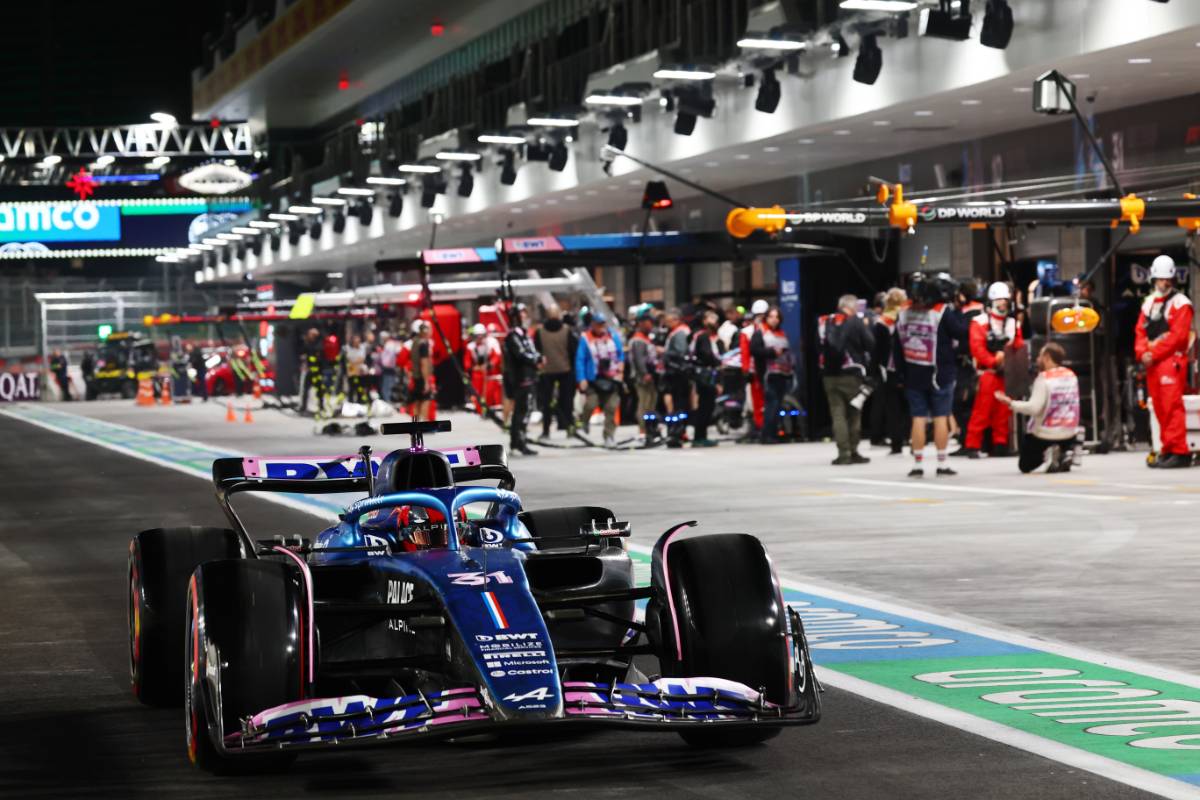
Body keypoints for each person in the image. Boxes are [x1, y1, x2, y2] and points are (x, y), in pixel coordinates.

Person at [895, 272, 967, 478]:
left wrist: (901, 373)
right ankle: (942, 463)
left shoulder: (903, 312)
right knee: (940, 417)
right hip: (940, 374)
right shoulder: (942, 312)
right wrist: (959, 309)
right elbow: (961, 332)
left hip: (913, 372)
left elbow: (896, 346)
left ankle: (917, 464)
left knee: (917, 418)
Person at [1136, 254, 1194, 469]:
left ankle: (1180, 451)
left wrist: (1153, 353)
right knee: (1159, 408)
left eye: (1166, 278)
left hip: (1171, 361)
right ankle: (1168, 449)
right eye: (1160, 279)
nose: (1164, 282)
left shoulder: (1181, 304)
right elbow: (1140, 332)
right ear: (1154, 279)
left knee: (1172, 406)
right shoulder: (1148, 304)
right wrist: (1142, 353)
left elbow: (1178, 337)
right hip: (1153, 363)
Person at [995, 343, 1081, 474]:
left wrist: (1011, 403)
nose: (1037, 359)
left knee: (1024, 465)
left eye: (1040, 356)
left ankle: (1049, 452)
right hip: (1070, 432)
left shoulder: (1044, 379)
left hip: (1046, 434)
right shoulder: (1071, 375)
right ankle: (1065, 452)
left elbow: (1034, 408)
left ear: (1047, 357)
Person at [963, 282, 1024, 458]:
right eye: (999, 301)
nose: (1002, 305)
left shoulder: (1013, 323)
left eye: (1005, 301)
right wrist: (994, 361)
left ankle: (1000, 445)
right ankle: (972, 445)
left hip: (1007, 373)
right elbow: (977, 349)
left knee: (1004, 412)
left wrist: (1007, 358)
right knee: (982, 411)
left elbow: (1018, 345)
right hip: (987, 374)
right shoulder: (979, 322)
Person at [819, 295, 875, 464]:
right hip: (852, 373)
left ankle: (843, 454)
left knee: (837, 414)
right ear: (852, 307)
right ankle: (853, 451)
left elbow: (818, 345)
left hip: (829, 375)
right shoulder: (856, 322)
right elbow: (870, 344)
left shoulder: (825, 321)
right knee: (854, 414)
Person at [576, 312, 625, 448]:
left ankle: (609, 435)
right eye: (598, 324)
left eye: (603, 324)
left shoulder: (613, 336)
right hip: (593, 378)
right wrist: (581, 378)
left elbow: (620, 354)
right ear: (592, 324)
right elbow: (580, 360)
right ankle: (584, 421)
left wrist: (621, 369)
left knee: (611, 407)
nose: (601, 327)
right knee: (591, 404)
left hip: (612, 378)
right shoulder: (585, 338)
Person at [869, 288, 908, 454]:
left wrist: (873, 370)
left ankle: (896, 443)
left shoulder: (881, 323)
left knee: (892, 408)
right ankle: (911, 437)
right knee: (910, 405)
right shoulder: (908, 319)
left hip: (888, 369)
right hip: (908, 367)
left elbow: (876, 350)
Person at [534, 304, 578, 441]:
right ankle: (569, 427)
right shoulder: (567, 331)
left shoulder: (540, 332)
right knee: (567, 401)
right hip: (565, 370)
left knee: (547, 402)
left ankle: (546, 430)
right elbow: (573, 351)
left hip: (547, 371)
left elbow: (536, 351)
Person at [751, 306, 794, 444]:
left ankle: (774, 433)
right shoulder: (760, 332)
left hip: (783, 373)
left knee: (778, 405)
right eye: (771, 317)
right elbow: (755, 350)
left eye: (777, 317)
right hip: (768, 374)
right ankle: (766, 435)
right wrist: (772, 352)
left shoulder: (782, 333)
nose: (774, 320)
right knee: (771, 404)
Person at [950, 279, 985, 452]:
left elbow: (960, 333)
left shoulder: (968, 314)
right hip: (974, 362)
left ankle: (968, 440)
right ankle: (968, 439)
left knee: (962, 402)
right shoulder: (982, 310)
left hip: (969, 363)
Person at [504, 304, 541, 455]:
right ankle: (519, 442)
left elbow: (531, 351)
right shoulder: (514, 336)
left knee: (523, 410)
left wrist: (538, 357)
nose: (525, 316)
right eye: (522, 313)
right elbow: (521, 354)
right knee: (523, 411)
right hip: (522, 379)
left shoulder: (523, 334)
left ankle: (517, 442)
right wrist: (536, 359)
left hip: (528, 377)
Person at [627, 309, 662, 444]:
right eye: (648, 323)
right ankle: (643, 430)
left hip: (651, 375)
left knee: (651, 403)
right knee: (644, 403)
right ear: (641, 323)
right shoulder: (638, 340)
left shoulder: (647, 338)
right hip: (642, 377)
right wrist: (645, 374)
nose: (650, 325)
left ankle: (650, 427)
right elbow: (639, 359)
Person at [690, 309, 723, 447]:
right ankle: (699, 437)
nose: (714, 320)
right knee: (705, 407)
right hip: (705, 376)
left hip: (702, 375)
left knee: (705, 406)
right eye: (711, 318)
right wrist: (718, 362)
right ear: (704, 321)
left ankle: (701, 436)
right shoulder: (702, 335)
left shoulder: (700, 335)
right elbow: (706, 354)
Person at [661, 308, 693, 448]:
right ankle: (679, 430)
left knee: (680, 404)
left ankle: (679, 431)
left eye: (669, 321)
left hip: (679, 375)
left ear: (676, 320)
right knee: (679, 404)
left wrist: (665, 352)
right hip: (677, 374)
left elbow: (681, 352)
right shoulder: (677, 332)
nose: (667, 324)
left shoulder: (680, 333)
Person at [740, 299, 769, 435]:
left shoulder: (773, 329)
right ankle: (760, 426)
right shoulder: (747, 332)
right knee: (757, 401)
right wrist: (746, 370)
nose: (761, 318)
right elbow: (745, 353)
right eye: (758, 315)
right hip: (756, 371)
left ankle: (769, 426)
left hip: (771, 368)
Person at [464, 323, 503, 415]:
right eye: (477, 336)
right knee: (477, 392)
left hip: (489, 372)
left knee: (490, 392)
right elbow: (467, 362)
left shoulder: (491, 344)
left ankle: (490, 409)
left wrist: (489, 365)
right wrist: (473, 368)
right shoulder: (471, 347)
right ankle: (480, 410)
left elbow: (496, 357)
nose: (479, 338)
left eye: (481, 335)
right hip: (477, 374)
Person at [343, 333, 370, 405]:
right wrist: (355, 362)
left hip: (360, 371)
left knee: (360, 388)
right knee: (351, 389)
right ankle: (351, 404)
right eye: (355, 341)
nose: (357, 342)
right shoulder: (348, 348)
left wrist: (355, 362)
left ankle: (360, 403)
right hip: (351, 371)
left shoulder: (362, 347)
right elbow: (348, 359)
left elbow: (362, 359)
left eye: (358, 341)